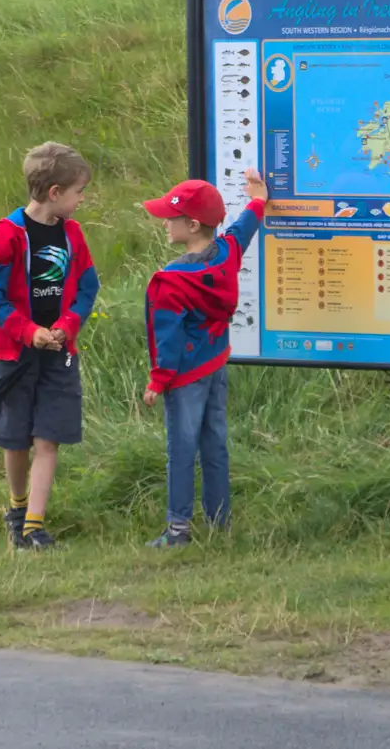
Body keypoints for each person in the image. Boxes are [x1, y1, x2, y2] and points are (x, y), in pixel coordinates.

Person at [0, 142, 98, 551]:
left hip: (59, 352)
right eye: (79, 191)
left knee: (49, 436)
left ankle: (34, 525)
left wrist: (67, 325)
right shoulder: (6, 235)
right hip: (14, 352)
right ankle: (16, 508)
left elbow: (87, 285)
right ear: (55, 193)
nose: (82, 199)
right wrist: (28, 332)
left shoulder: (73, 234)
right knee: (15, 438)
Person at [140, 169, 267, 547]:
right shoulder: (226, 253)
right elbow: (243, 228)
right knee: (214, 443)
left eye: (171, 217)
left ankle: (178, 530)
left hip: (183, 378)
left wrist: (157, 381)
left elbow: (169, 339)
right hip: (216, 365)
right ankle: (219, 522)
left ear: (192, 225)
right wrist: (258, 200)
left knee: (180, 451)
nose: (164, 222)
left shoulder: (171, 282)